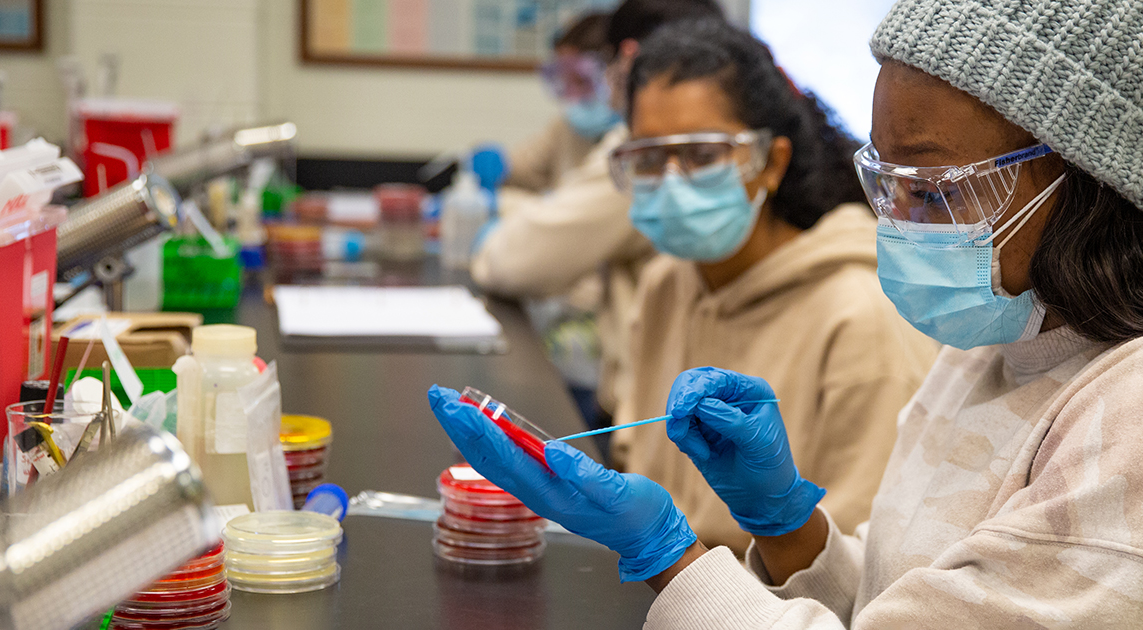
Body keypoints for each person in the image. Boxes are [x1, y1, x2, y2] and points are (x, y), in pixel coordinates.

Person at [428, 0, 1143, 626]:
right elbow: (897, 597)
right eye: (886, 184)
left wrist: (667, 554)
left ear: (1089, 180)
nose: (895, 224)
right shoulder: (995, 337)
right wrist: (789, 524)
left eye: (934, 190)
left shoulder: (1126, 420)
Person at [607, 20, 938, 554]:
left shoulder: (862, 315)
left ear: (770, 162)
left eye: (702, 155)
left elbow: (865, 569)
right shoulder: (666, 282)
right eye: (648, 158)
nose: (671, 181)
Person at [471, 0, 725, 424]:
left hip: (657, 409)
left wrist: (504, 215)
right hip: (666, 406)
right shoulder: (677, 140)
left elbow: (515, 261)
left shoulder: (649, 150)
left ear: (625, 62)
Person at [503, 12, 613, 194]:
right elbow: (523, 168)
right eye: (565, 81)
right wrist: (497, 164)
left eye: (581, 81)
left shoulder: (631, 138)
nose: (571, 95)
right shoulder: (567, 126)